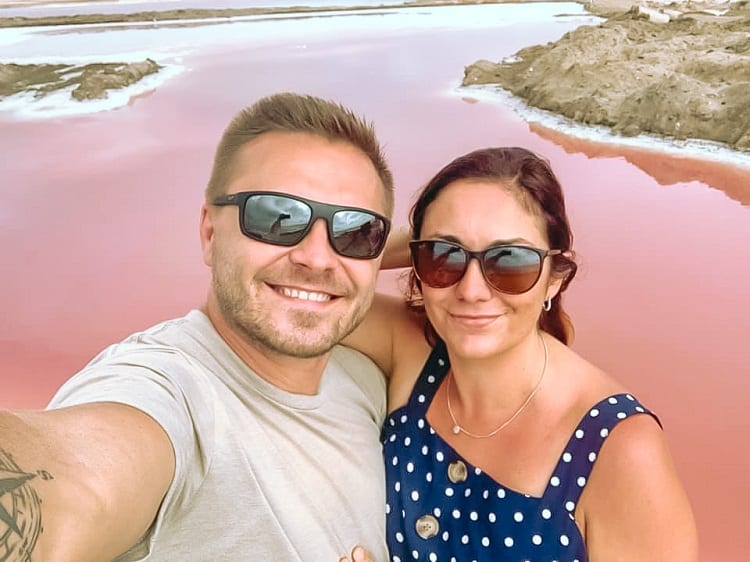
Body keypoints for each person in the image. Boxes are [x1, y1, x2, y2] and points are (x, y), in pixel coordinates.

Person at [0, 92, 394, 562]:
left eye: (356, 232)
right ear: (209, 233)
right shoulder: (169, 392)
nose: (315, 257)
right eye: (275, 218)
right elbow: (76, 478)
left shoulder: (363, 379)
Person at [344, 146, 699, 561]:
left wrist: (448, 242)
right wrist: (422, 240)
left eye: (510, 261)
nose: (472, 290)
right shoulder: (413, 347)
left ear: (554, 280)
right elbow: (314, 275)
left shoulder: (619, 450)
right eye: (444, 257)